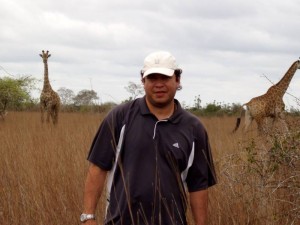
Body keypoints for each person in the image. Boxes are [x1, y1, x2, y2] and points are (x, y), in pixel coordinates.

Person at [81, 51, 217, 225]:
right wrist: (88, 217)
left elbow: (198, 186)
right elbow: (98, 168)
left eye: (165, 78)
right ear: (143, 81)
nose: (159, 84)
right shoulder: (119, 117)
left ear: (177, 80)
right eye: (152, 78)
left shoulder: (194, 128)